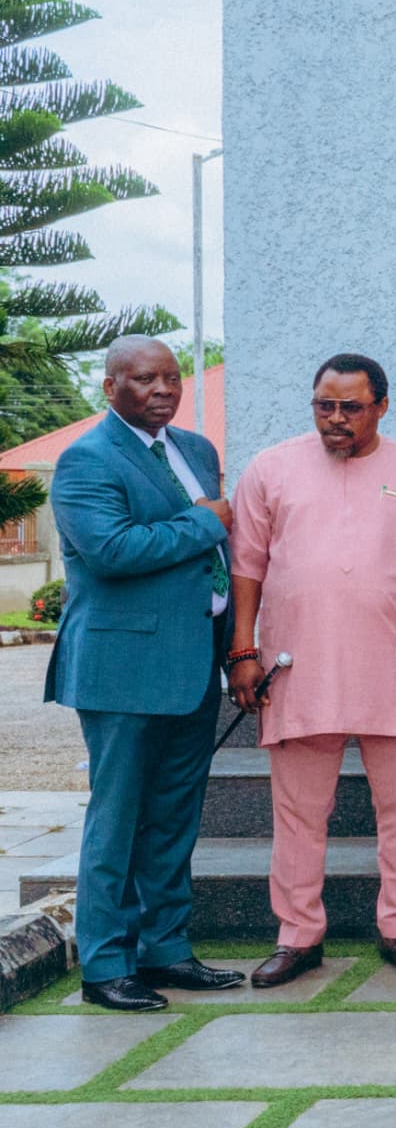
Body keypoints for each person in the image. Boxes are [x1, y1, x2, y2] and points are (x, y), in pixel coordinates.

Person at [227, 354, 396, 987]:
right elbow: (247, 564)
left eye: (351, 407)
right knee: (298, 813)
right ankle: (298, 936)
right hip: (299, 666)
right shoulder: (270, 468)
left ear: (381, 406)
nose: (336, 419)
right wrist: (244, 652)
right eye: (325, 405)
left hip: (395, 665)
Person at [43, 336, 242, 1011]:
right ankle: (104, 966)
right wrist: (202, 521)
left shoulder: (196, 450)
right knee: (118, 818)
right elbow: (112, 550)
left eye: (170, 377)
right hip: (121, 670)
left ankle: (165, 949)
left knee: (174, 819)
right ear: (110, 387)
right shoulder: (85, 460)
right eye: (144, 379)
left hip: (193, 665)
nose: (163, 388)